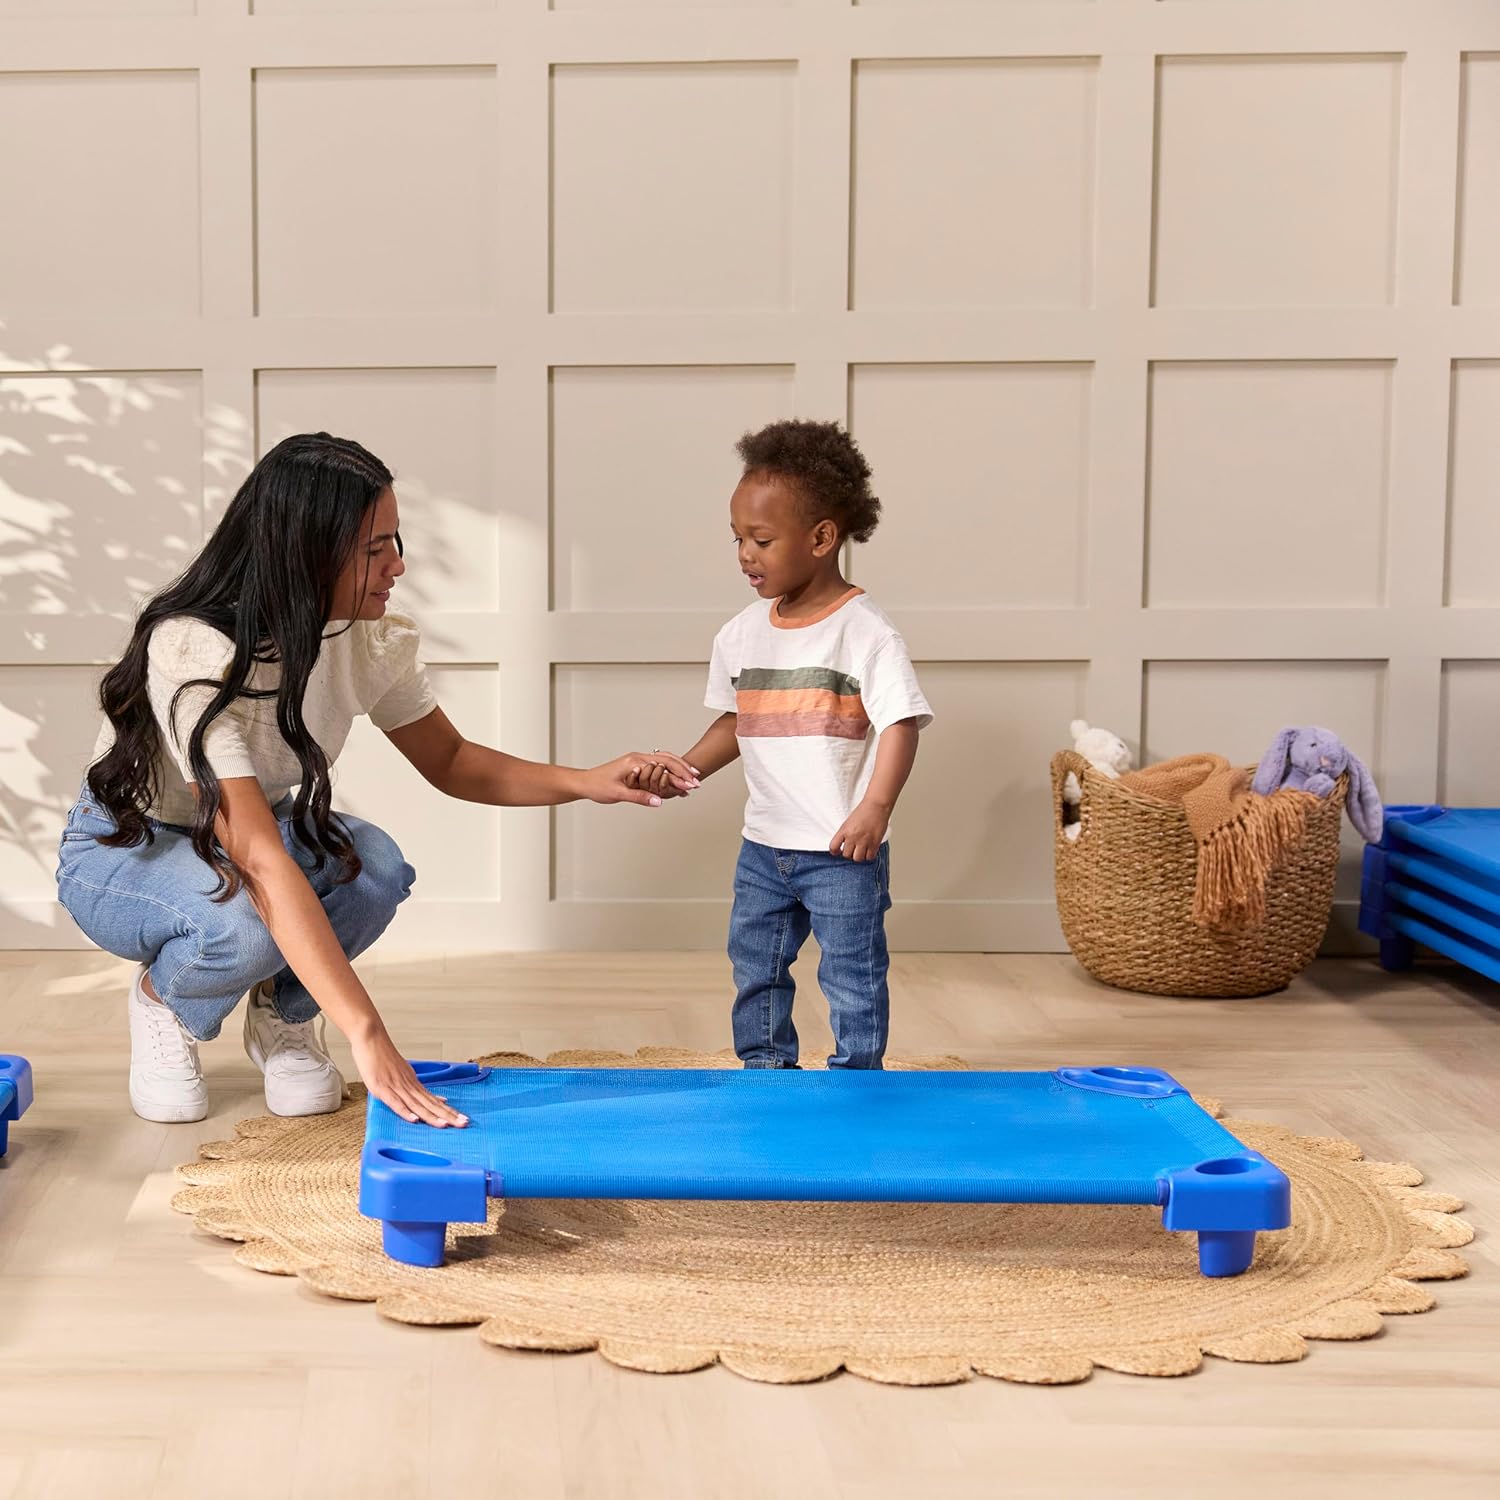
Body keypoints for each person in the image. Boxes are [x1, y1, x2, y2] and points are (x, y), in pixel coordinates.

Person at [55, 433, 699, 1128]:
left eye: (395, 541)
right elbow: (261, 861)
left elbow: (451, 760)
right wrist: (368, 1030)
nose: (398, 565)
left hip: (249, 834)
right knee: (244, 921)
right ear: (306, 551)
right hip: (127, 849)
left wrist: (587, 780)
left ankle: (286, 1013)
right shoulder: (194, 648)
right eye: (375, 549)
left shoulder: (364, 639)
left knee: (376, 869)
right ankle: (164, 999)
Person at [651, 420, 931, 1070]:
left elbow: (900, 723)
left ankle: (857, 1085)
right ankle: (767, 1075)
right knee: (756, 967)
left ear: (822, 537)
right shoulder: (742, 635)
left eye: (762, 540)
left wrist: (875, 808)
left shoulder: (865, 634)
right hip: (764, 848)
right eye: (738, 539)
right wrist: (687, 768)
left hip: (841, 852)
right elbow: (739, 721)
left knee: (851, 978)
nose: (745, 554)